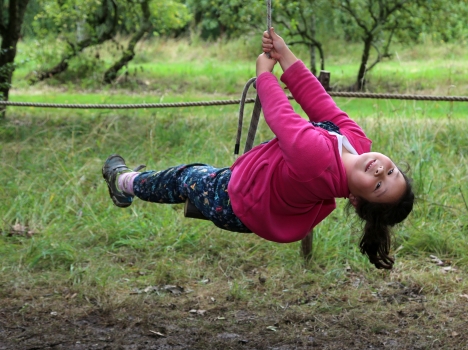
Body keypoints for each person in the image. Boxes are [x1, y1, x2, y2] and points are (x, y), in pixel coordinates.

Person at [102, 28, 414, 269]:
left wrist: (265, 74)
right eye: (390, 171)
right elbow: (319, 102)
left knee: (186, 176)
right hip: (254, 188)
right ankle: (177, 192)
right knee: (198, 181)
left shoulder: (317, 161)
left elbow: (282, 116)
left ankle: (124, 183)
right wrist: (286, 55)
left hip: (237, 201)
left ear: (357, 201)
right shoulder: (358, 144)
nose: (379, 170)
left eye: (377, 185)